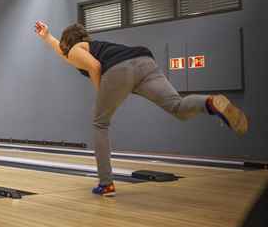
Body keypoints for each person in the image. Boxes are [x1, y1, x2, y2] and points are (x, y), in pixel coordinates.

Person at [34, 21, 248, 197]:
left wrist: (101, 92)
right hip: (144, 61)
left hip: (119, 70)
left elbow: (95, 66)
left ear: (68, 42)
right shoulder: (93, 45)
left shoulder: (76, 50)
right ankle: (209, 103)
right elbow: (65, 54)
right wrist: (47, 37)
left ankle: (106, 183)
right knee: (177, 106)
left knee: (100, 123)